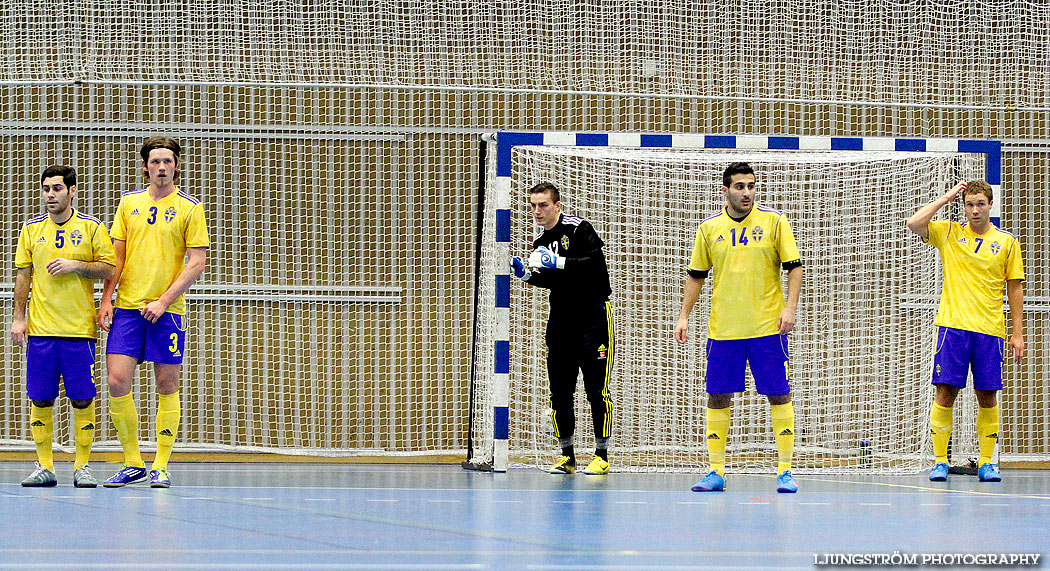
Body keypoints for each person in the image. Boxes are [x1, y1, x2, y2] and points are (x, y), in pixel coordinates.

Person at [674, 162, 803, 493]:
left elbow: (794, 268)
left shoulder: (775, 222)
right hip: (724, 330)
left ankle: (785, 471)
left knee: (779, 393)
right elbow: (696, 276)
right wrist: (684, 315)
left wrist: (789, 308)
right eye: (740, 186)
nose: (747, 192)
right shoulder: (709, 229)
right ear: (725, 190)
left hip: (766, 328)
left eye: (751, 186)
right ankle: (716, 471)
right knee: (717, 395)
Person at [97, 137, 209, 488]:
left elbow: (197, 262)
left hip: (168, 311)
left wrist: (163, 300)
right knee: (116, 381)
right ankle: (133, 462)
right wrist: (106, 299)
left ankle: (160, 464)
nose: (162, 167)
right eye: (155, 161)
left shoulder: (191, 208)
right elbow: (116, 257)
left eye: (168, 161)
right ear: (144, 166)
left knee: (167, 383)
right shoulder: (128, 203)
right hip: (128, 308)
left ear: (176, 166)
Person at [906, 180, 1023, 483]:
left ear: (990, 205)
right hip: (953, 328)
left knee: (987, 395)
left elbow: (1015, 287)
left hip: (989, 331)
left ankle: (986, 463)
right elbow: (914, 223)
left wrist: (1017, 332)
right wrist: (946, 198)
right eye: (969, 204)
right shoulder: (949, 233)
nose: (974, 210)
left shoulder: (1007, 242)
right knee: (945, 393)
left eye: (980, 204)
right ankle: (940, 461)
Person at [12, 165, 116, 487]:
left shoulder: (92, 228)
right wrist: (18, 318)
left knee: (82, 398)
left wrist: (75, 265)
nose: (50, 195)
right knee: (40, 398)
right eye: (46, 189)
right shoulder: (31, 229)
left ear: (72, 191)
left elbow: (109, 268)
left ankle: (81, 466)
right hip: (42, 331)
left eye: (57, 188)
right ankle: (45, 466)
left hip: (78, 330)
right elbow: (23, 277)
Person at [510, 182, 615, 475]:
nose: (537, 211)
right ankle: (567, 456)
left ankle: (601, 456)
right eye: (532, 205)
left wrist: (558, 261)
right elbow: (551, 280)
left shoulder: (579, 228)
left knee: (596, 390)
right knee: (559, 391)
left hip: (593, 317)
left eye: (542, 205)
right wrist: (528, 276)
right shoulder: (539, 243)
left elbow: (594, 264)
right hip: (561, 320)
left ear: (557, 206)